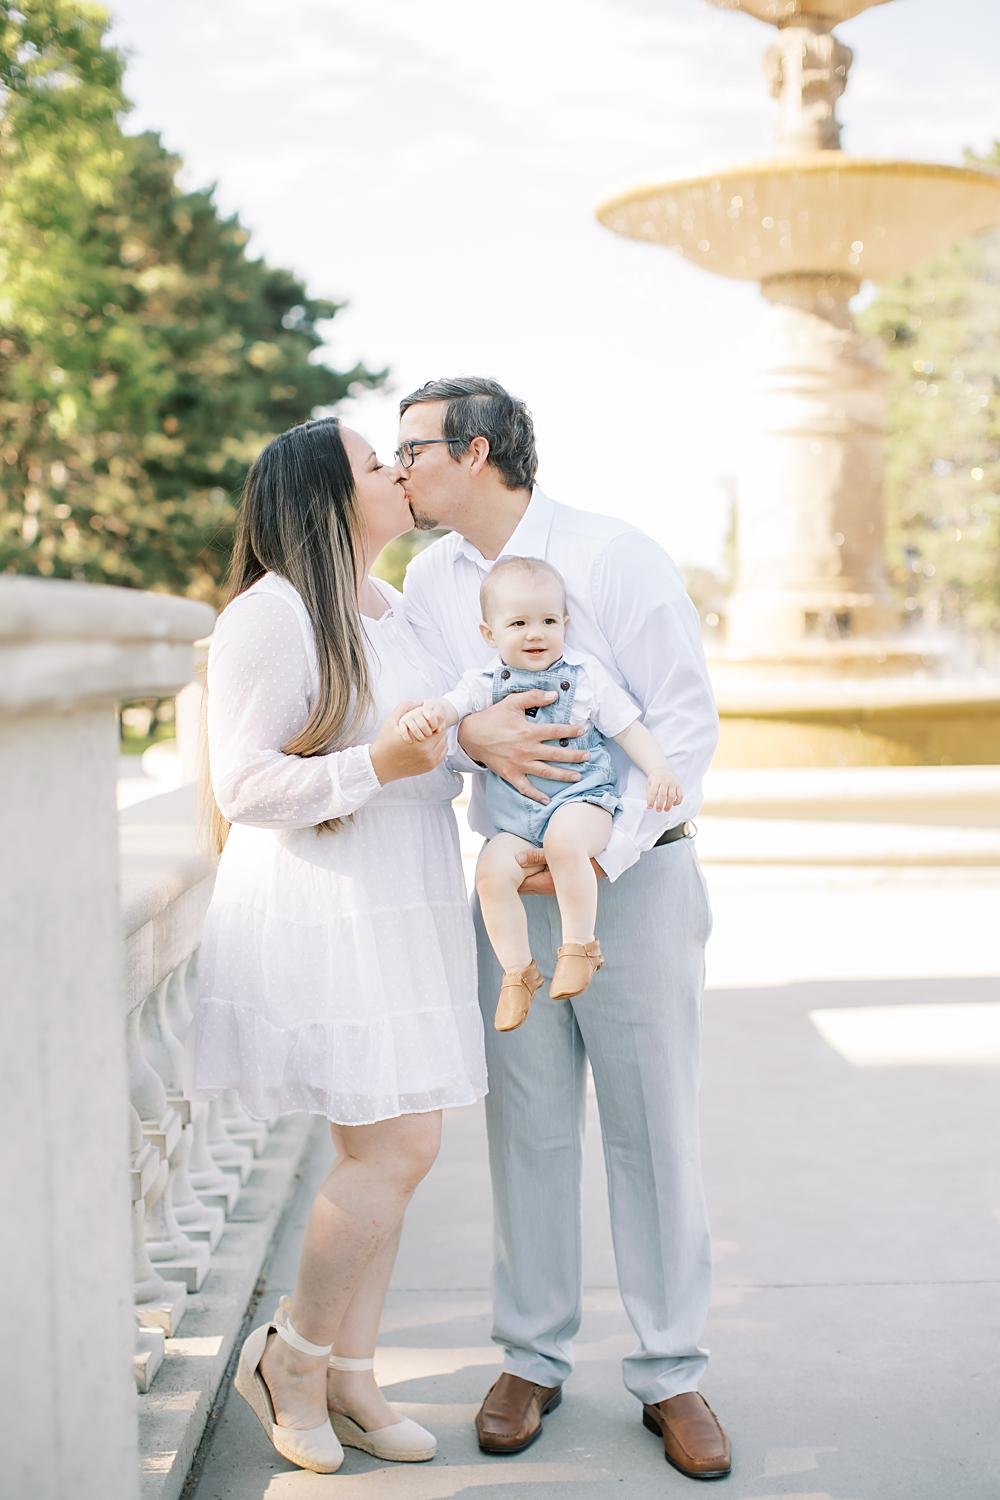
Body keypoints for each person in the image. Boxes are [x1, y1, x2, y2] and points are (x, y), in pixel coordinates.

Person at [397, 377, 732, 1481]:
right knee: (527, 1131)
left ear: (476, 451)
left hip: (629, 882)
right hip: (508, 896)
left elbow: (679, 720)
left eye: (415, 450)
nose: (400, 471)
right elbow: (431, 726)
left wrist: (598, 851)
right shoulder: (428, 580)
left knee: (652, 1131)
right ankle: (531, 1358)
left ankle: (672, 1372)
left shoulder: (613, 555)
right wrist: (475, 740)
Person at [189, 416, 487, 1475]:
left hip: (404, 898)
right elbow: (244, 784)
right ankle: (295, 1361)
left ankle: (355, 1376)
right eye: (375, 464)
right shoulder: (268, 618)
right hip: (329, 907)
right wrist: (379, 768)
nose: (398, 472)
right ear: (325, 498)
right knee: (401, 1146)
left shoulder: (395, 609)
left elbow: (429, 758)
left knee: (381, 1155)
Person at [398, 554, 682, 1031]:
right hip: (519, 820)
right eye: (519, 623)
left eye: (549, 620)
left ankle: (579, 946)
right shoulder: (484, 683)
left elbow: (628, 728)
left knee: (564, 843)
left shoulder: (584, 675)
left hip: (581, 800)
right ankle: (518, 973)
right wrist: (429, 716)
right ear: (490, 634)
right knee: (490, 873)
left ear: (565, 624)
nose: (536, 633)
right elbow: (449, 710)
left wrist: (658, 769)